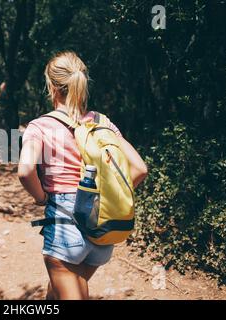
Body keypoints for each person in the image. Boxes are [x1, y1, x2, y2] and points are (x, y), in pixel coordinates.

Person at [18, 51, 148, 300]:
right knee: (62, 287)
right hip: (103, 226)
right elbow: (140, 169)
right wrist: (110, 195)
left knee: (67, 283)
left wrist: (40, 197)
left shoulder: (40, 126)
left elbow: (25, 170)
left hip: (66, 223)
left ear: (51, 86)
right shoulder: (102, 122)